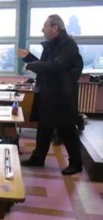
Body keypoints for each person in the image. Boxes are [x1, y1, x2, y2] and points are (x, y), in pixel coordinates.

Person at [17, 14, 83, 175]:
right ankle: (38, 158)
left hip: (62, 96)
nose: (42, 30)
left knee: (66, 130)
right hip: (49, 93)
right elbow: (46, 66)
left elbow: (56, 67)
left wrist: (31, 64)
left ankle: (76, 163)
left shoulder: (68, 45)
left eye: (45, 26)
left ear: (55, 28)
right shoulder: (53, 45)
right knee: (44, 128)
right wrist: (28, 58)